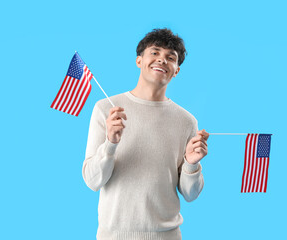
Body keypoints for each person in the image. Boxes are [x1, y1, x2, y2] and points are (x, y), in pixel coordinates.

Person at [82, 28, 209, 240]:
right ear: (139, 61)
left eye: (170, 57)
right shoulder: (106, 109)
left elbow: (191, 194)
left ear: (176, 70)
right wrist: (110, 144)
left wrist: (191, 164)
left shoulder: (187, 121)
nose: (162, 60)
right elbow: (92, 180)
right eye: (155, 52)